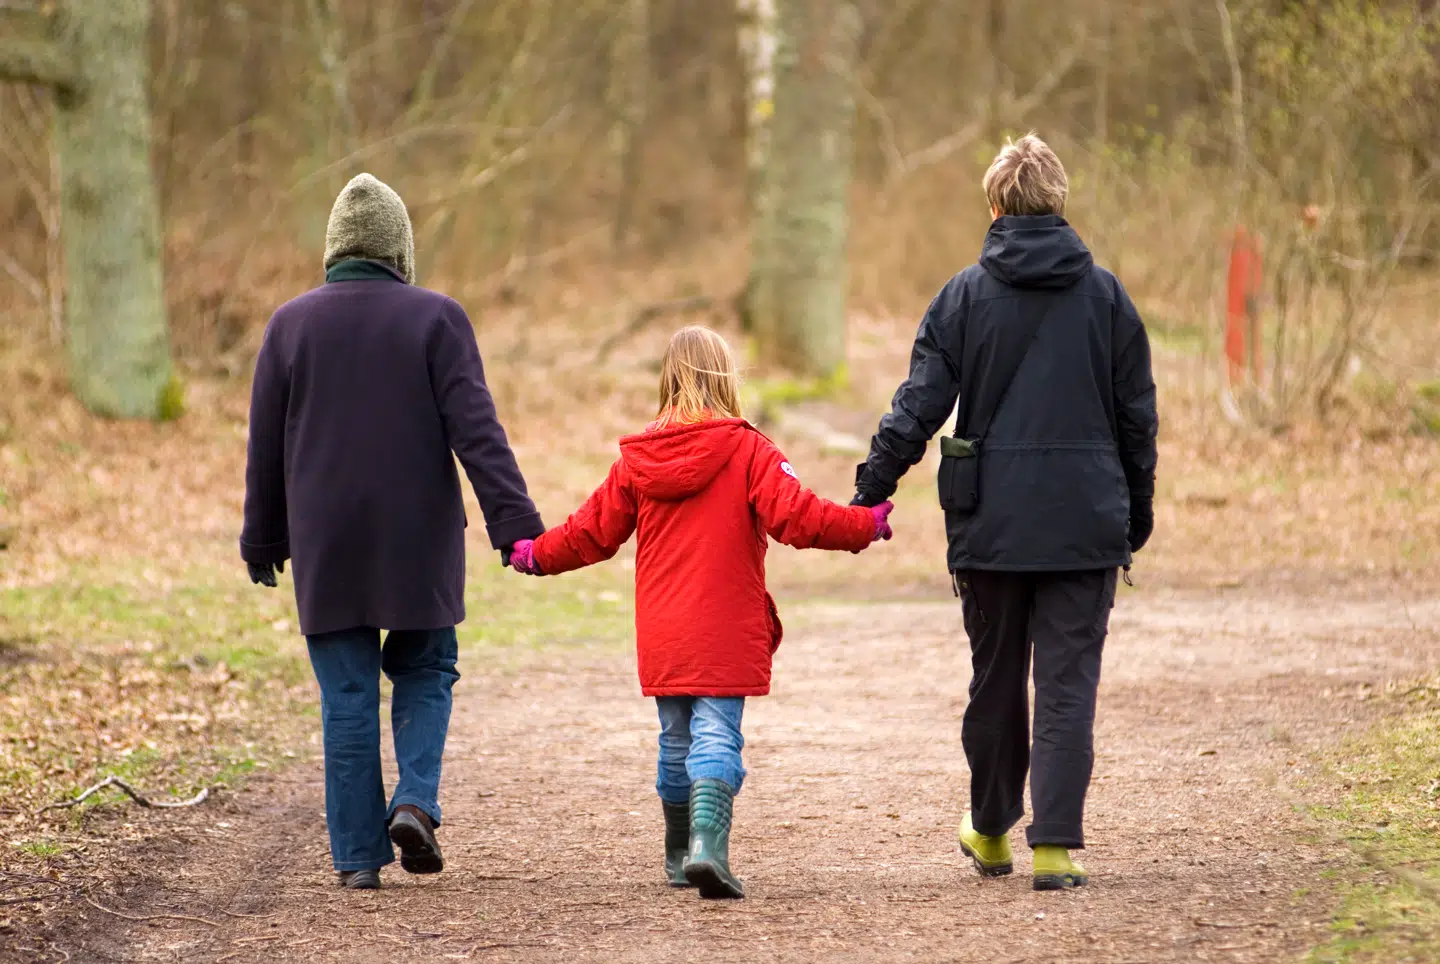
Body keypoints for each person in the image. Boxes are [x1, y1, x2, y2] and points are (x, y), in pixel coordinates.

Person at [851, 134, 1159, 891]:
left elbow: (917, 406)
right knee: (1066, 682)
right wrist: (1135, 514)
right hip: (1085, 521)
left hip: (989, 522)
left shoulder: (962, 297)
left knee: (994, 679)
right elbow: (1136, 422)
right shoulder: (1109, 299)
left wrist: (871, 485)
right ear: (1060, 204)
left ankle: (990, 830)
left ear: (994, 206)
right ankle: (1054, 846)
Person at [505, 326, 894, 899]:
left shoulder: (638, 461)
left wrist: (537, 554)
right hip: (726, 624)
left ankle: (676, 852)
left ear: (667, 382)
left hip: (664, 628)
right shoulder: (748, 450)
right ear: (725, 379)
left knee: (675, 738)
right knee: (716, 735)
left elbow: (590, 532)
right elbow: (800, 517)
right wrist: (865, 523)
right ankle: (707, 850)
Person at [240, 173, 544, 890]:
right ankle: (413, 802)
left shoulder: (290, 325)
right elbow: (479, 432)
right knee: (427, 667)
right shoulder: (436, 319)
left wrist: (262, 538)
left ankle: (356, 862)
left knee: (346, 696)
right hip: (418, 541)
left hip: (327, 542)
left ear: (334, 250)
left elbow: (264, 446)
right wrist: (515, 524)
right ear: (400, 252)